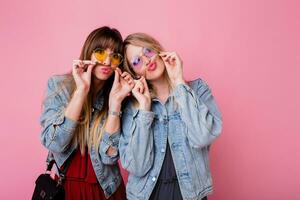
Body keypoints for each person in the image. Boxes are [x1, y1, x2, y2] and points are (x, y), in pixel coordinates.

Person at [119, 33, 223, 200]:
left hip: (190, 194)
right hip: (147, 195)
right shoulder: (133, 107)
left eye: (148, 51)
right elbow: (137, 166)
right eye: (137, 61)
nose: (147, 60)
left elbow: (203, 137)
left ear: (157, 49)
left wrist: (178, 82)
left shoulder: (197, 89)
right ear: (134, 73)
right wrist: (145, 109)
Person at [40, 26, 134, 200]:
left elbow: (109, 158)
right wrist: (81, 91)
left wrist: (115, 103)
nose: (107, 62)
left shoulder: (119, 95)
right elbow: (54, 143)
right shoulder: (59, 86)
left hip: (108, 190)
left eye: (114, 56)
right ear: (88, 52)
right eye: (100, 53)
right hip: (68, 190)